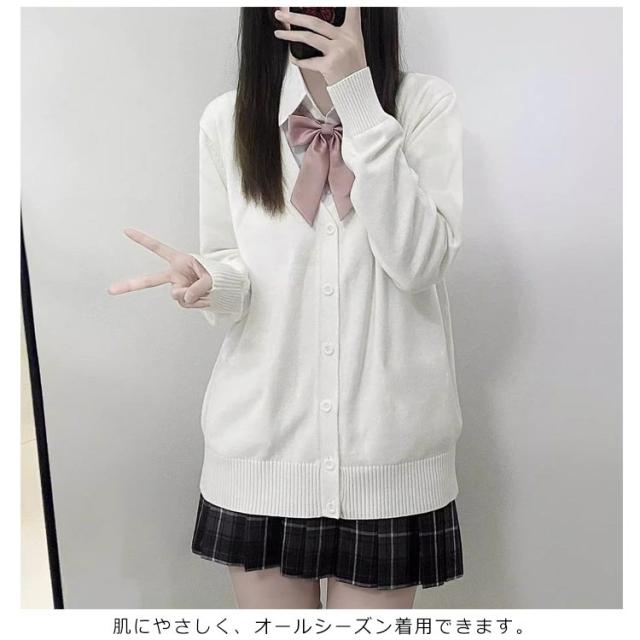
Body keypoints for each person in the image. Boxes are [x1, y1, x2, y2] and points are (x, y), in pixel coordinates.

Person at [109, 6, 465, 609]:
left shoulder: (425, 105)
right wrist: (211, 282)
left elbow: (419, 262)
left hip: (388, 461)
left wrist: (359, 102)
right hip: (261, 452)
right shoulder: (228, 120)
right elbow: (235, 267)